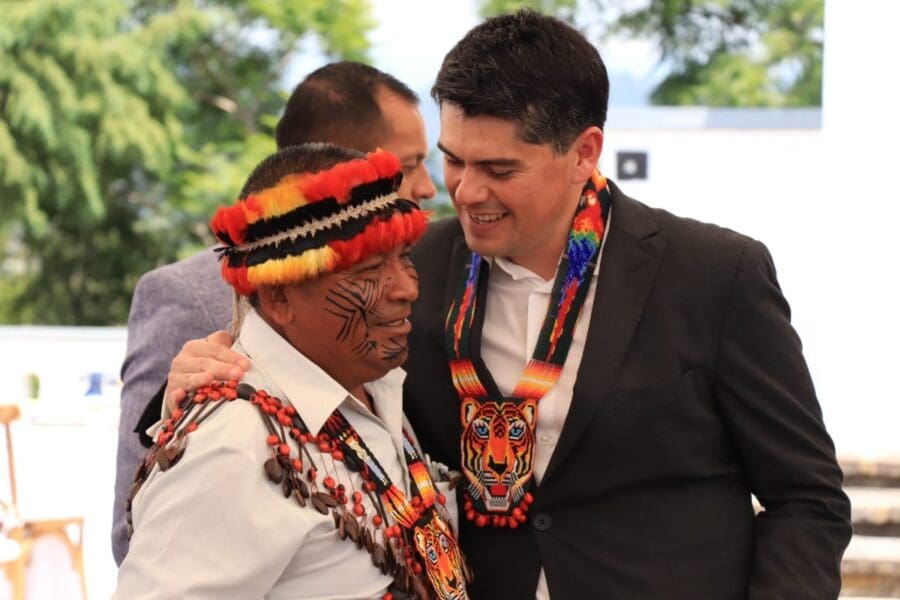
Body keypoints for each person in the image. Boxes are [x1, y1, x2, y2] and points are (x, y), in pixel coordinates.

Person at [154, 10, 852, 598]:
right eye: (454, 160)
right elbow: (286, 380)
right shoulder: (412, 269)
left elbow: (808, 497)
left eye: (499, 169)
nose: (464, 192)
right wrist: (193, 378)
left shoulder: (713, 275)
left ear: (584, 153)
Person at [111, 61, 436, 565]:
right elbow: (139, 531)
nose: (429, 185)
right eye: (408, 164)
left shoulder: (408, 304)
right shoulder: (189, 299)